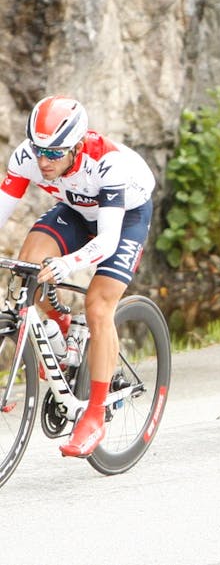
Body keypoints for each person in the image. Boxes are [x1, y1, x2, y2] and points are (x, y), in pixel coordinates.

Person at [0, 96, 155, 457]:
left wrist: (69, 264)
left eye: (55, 154)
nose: (44, 161)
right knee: (29, 269)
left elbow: (107, 239)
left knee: (99, 306)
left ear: (77, 145)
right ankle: (61, 333)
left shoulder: (107, 164)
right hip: (76, 209)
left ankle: (95, 415)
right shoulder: (27, 157)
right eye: (39, 150)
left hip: (124, 219)